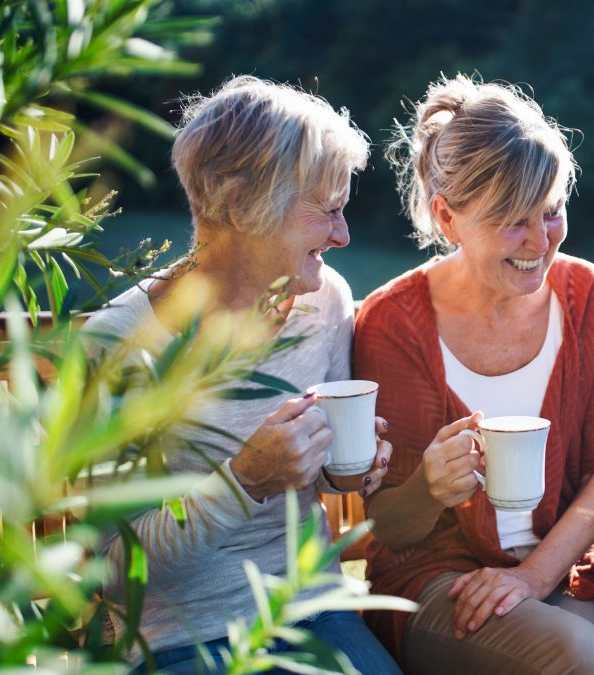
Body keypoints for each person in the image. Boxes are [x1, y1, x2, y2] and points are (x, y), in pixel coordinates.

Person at [83, 76, 401, 674]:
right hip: (177, 637)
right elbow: (113, 565)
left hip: (308, 607)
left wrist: (345, 466)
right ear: (238, 205)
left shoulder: (325, 300)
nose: (344, 235)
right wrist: (244, 482)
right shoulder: (119, 340)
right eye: (326, 211)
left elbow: (328, 485)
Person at [353, 74, 594, 675]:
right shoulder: (392, 323)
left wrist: (534, 576)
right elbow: (388, 531)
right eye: (513, 221)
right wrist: (430, 487)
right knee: (585, 662)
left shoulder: (585, 294)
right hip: (434, 583)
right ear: (447, 217)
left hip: (563, 574)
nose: (540, 242)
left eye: (552, 212)